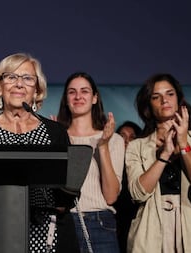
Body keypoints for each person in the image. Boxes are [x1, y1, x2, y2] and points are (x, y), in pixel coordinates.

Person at [0, 53, 79, 253]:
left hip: (46, 238)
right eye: (11, 77)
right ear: (0, 86)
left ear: (36, 90)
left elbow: (68, 188)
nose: (19, 84)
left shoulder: (55, 132)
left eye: (27, 78)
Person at [126, 73, 191, 252]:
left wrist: (183, 144)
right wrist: (164, 155)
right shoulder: (137, 146)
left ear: (179, 99)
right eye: (156, 96)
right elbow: (138, 193)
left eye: (170, 94)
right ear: (148, 106)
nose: (164, 100)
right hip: (150, 233)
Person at [56, 72, 124, 253]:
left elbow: (111, 196)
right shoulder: (56, 137)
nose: (78, 96)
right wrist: (56, 141)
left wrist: (103, 146)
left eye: (84, 91)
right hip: (63, 223)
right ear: (66, 98)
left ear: (94, 98)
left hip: (100, 224)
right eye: (72, 92)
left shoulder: (114, 139)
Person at [113, 121, 142, 253]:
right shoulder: (110, 165)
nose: (126, 141)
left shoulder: (142, 167)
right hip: (113, 226)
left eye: (132, 137)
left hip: (137, 225)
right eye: (122, 136)